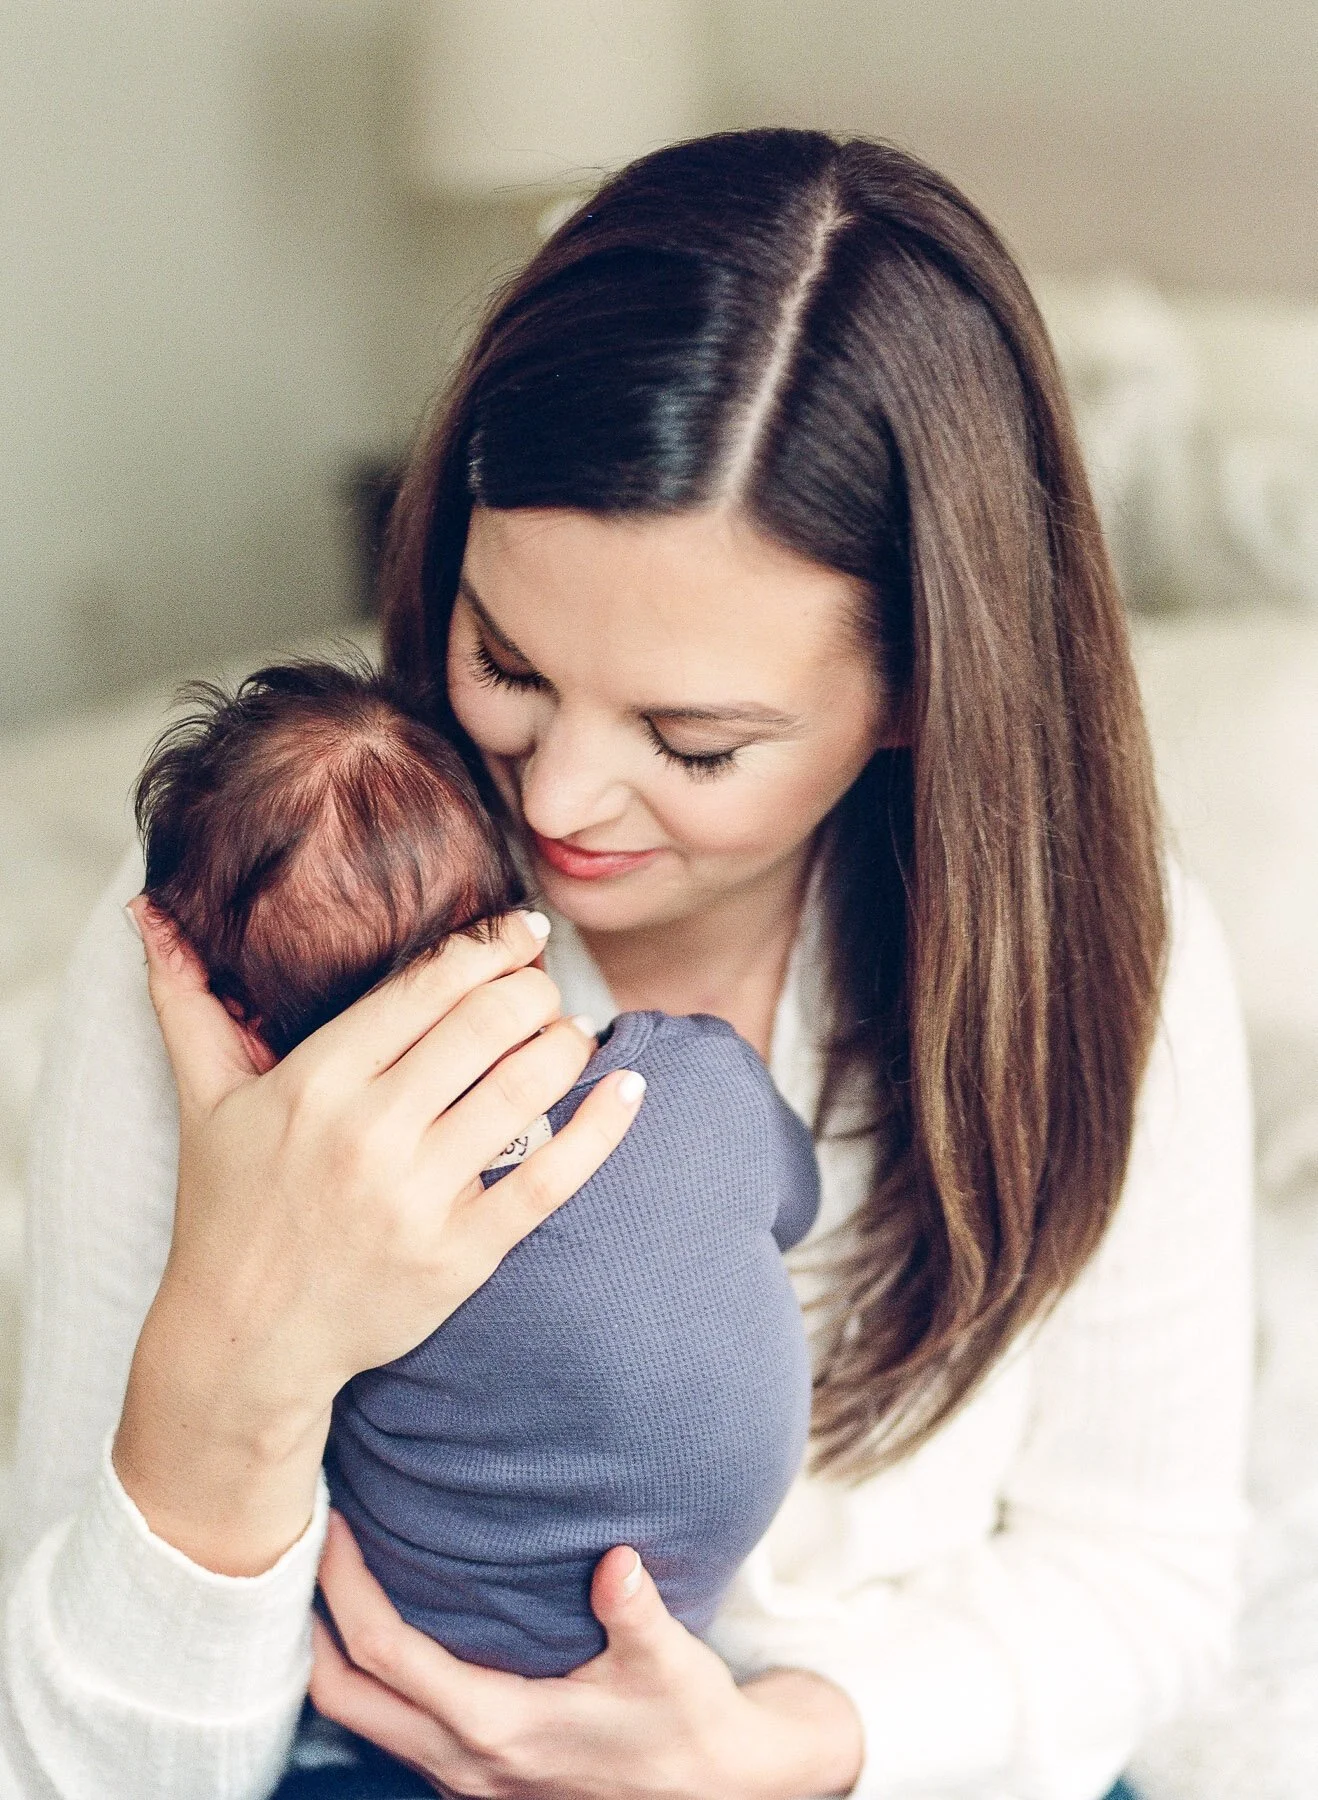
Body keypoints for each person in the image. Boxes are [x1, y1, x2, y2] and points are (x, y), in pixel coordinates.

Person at [1, 128, 1252, 1800]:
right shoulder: (249, 921)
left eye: (695, 740)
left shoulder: (1104, 970)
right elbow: (84, 1770)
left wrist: (776, 1750)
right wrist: (235, 1360)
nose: (559, 799)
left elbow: (1144, 1581)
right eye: (504, 658)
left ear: (916, 700)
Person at [128, 656, 820, 1679]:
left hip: (418, 1664)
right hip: (694, 1601)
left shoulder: (332, 1242)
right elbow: (794, 1208)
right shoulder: (697, 1075)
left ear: (249, 1031)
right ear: (519, 929)